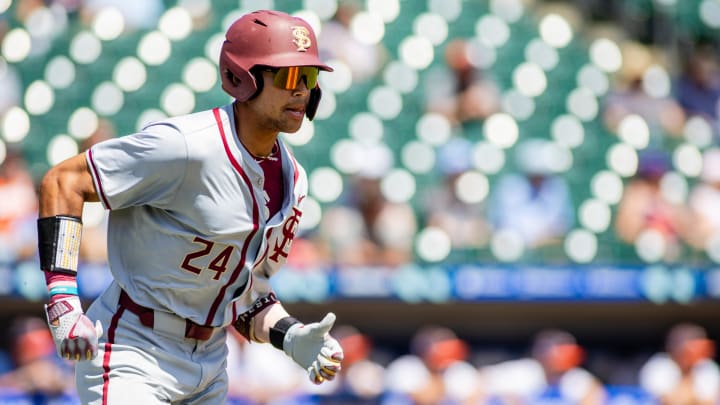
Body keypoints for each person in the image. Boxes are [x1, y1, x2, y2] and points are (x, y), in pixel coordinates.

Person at [36, 10, 344, 404]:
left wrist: (290, 335)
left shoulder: (294, 181)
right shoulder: (185, 145)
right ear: (243, 77)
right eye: (288, 76)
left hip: (213, 361)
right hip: (133, 347)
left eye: (310, 76)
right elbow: (64, 181)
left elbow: (244, 297)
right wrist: (63, 300)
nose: (301, 89)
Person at [639, 323, 720, 405]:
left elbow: (710, 402)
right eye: (693, 346)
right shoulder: (658, 366)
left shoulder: (707, 366)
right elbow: (668, 401)